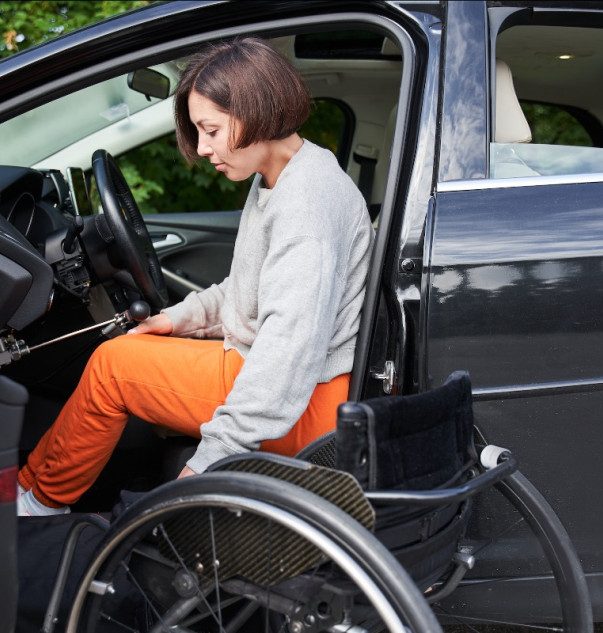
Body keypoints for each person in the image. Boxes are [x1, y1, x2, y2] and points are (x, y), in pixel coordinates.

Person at [17, 37, 374, 517]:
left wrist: (207, 463)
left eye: (211, 130)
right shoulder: (280, 177)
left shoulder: (307, 205)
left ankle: (38, 506)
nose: (203, 148)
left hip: (305, 408)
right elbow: (243, 291)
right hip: (274, 374)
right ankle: (27, 487)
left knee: (113, 367)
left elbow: (288, 356)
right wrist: (176, 320)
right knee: (126, 353)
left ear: (258, 110)